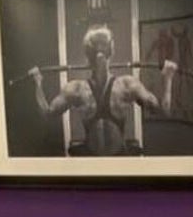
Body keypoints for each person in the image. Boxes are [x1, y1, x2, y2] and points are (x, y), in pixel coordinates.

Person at [29, 26, 177, 156]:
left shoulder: (127, 85)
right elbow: (47, 113)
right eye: (95, 48)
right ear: (88, 54)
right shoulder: (76, 89)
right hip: (91, 161)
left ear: (110, 52)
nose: (99, 52)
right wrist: (37, 83)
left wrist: (167, 78)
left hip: (119, 160)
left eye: (103, 46)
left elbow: (165, 111)